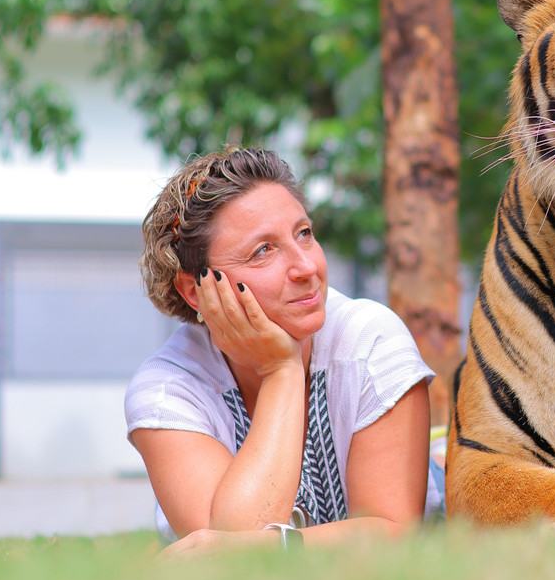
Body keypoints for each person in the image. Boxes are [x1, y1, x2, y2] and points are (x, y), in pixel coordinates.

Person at [125, 147, 442, 555]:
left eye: (304, 234)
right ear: (194, 291)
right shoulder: (167, 390)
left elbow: (392, 533)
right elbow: (228, 549)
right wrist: (282, 371)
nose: (306, 268)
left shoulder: (370, 342)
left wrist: (269, 550)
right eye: (263, 251)